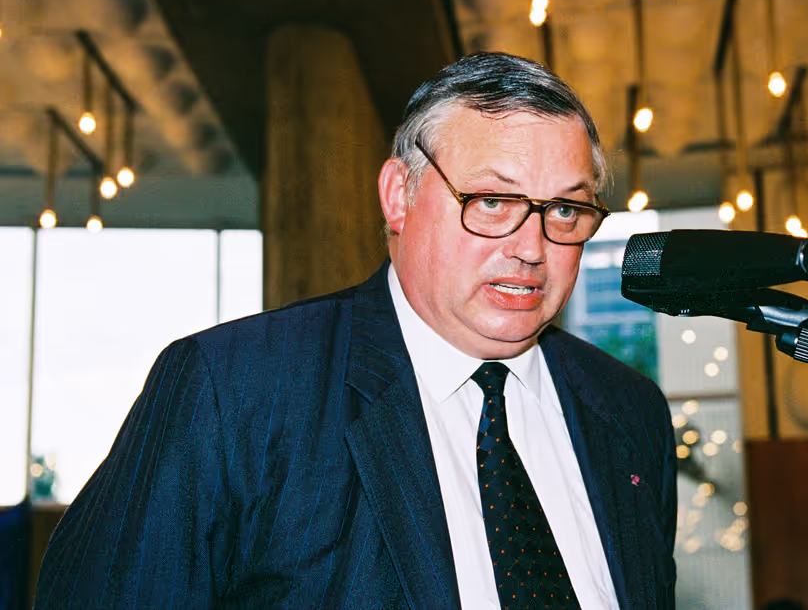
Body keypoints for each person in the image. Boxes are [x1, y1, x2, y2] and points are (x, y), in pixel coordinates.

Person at [34, 52, 677, 609]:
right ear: (399, 195)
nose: (531, 247)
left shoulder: (628, 410)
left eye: (564, 209)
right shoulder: (231, 392)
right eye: (492, 201)